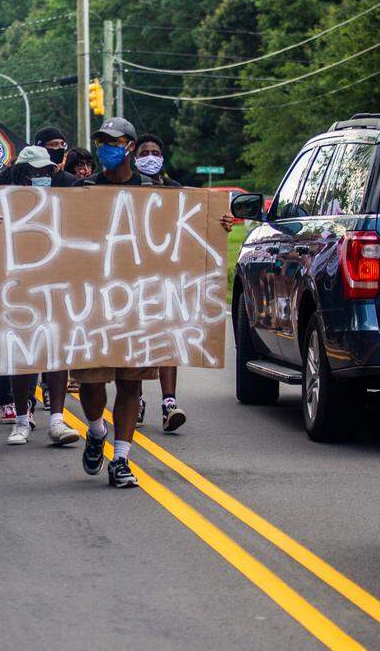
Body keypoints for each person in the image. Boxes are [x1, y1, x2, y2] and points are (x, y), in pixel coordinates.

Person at [72, 119, 232, 488]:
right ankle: (96, 431)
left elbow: (192, 227)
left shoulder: (160, 191)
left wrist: (218, 223)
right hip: (92, 305)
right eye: (101, 142)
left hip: (140, 304)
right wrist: (1, 220)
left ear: (128, 146)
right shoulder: (82, 190)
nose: (106, 148)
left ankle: (122, 458)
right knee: (93, 384)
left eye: (114, 142)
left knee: (131, 384)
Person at [0, 147, 80, 448]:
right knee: (24, 357)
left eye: (47, 172)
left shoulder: (63, 204)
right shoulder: (3, 210)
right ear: (22, 174)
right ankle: (22, 420)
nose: (42, 177)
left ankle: (57, 420)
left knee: (56, 353)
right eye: (36, 172)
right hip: (20, 293)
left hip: (57, 290)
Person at [132, 133, 232, 432]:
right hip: (131, 278)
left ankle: (168, 402)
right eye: (145, 151)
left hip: (167, 276)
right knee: (137, 340)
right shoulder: (126, 189)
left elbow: (197, 222)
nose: (151, 156)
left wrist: (220, 222)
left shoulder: (176, 190)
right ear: (134, 158)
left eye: (155, 151)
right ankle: (134, 398)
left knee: (167, 338)